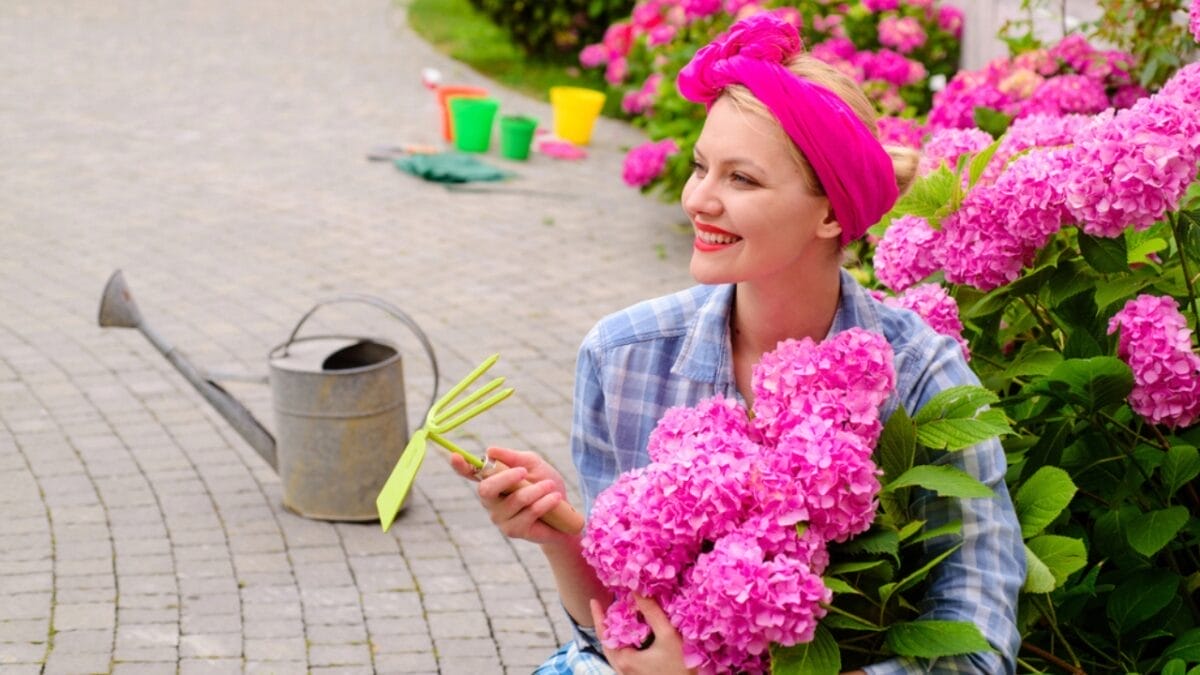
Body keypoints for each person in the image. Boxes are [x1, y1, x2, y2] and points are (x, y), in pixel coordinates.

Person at [449, 12, 1024, 675]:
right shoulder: (623, 355)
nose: (698, 199)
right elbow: (619, 623)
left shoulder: (921, 375)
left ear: (831, 212)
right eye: (700, 167)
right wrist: (563, 536)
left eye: (740, 179)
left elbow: (976, 645)